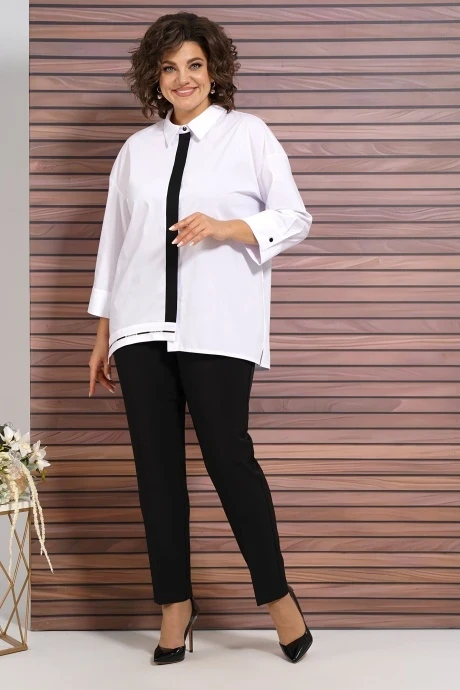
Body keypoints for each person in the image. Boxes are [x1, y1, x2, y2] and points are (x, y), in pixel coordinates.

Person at [87, 11, 313, 665]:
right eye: (168, 68)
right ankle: (175, 607)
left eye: (194, 65)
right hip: (138, 326)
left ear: (214, 71)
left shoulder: (249, 135)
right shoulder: (136, 150)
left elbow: (294, 216)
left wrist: (224, 227)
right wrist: (104, 332)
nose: (182, 78)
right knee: (156, 471)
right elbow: (114, 245)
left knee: (228, 458)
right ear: (154, 78)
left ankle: (278, 599)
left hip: (217, 323)